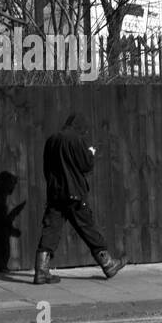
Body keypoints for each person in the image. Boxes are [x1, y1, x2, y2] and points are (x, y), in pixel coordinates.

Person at [34, 112, 125, 284]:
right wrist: (90, 152)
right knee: (87, 227)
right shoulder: (76, 140)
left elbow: (47, 167)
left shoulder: (52, 139)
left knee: (50, 229)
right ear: (81, 126)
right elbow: (86, 165)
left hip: (55, 194)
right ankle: (108, 263)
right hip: (74, 193)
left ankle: (41, 270)